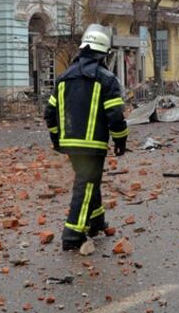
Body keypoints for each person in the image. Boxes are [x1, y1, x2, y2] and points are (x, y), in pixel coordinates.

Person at [44, 24, 129, 251]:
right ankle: (72, 234)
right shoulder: (106, 79)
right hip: (93, 145)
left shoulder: (63, 78)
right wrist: (120, 141)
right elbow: (115, 116)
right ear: (103, 54)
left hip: (69, 143)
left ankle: (96, 221)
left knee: (90, 180)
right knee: (86, 184)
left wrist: (56, 140)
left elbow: (49, 113)